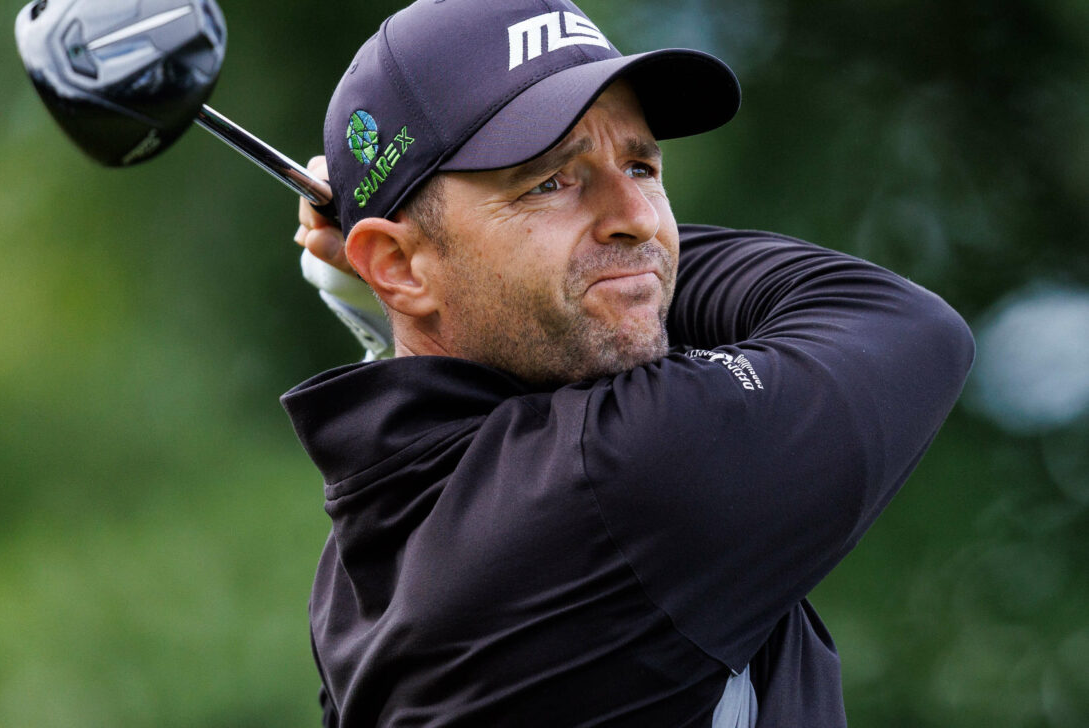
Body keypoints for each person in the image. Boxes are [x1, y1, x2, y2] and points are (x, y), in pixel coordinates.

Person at [285, 0, 975, 725]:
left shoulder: (362, 560)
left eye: (641, 165)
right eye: (550, 180)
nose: (640, 216)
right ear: (393, 264)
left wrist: (424, 276)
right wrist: (616, 271)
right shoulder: (622, 477)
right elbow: (896, 319)